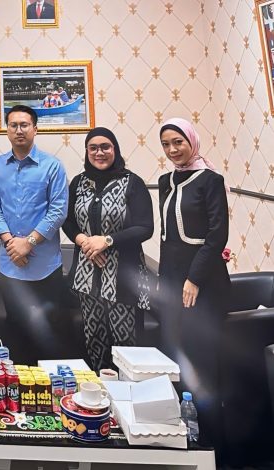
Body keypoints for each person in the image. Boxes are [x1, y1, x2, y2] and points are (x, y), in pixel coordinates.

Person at [157, 117, 229, 449]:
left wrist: (194, 278)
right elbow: (167, 239)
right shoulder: (166, 180)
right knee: (176, 358)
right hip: (173, 283)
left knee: (203, 362)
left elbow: (217, 235)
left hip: (204, 284)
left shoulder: (211, 180)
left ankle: (212, 444)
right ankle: (184, 437)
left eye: (178, 142)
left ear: (192, 141)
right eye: (166, 144)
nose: (173, 150)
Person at [62, 127, 153, 371]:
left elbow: (145, 228)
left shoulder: (132, 182)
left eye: (105, 147)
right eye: (93, 148)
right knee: (94, 341)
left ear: (115, 149)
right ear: (86, 152)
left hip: (123, 278)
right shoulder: (79, 183)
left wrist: (107, 240)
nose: (99, 153)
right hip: (87, 277)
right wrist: (83, 240)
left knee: (126, 345)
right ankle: (99, 391)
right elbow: (67, 221)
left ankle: (130, 392)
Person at [0, 105, 69, 365]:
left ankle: (46, 387)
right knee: (15, 329)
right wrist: (12, 243)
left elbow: (58, 210)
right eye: (13, 125)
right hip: (10, 263)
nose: (19, 130)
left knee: (49, 331)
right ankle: (17, 385)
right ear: (7, 130)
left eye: (24, 125)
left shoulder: (52, 166)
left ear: (35, 129)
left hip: (46, 265)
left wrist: (29, 242)